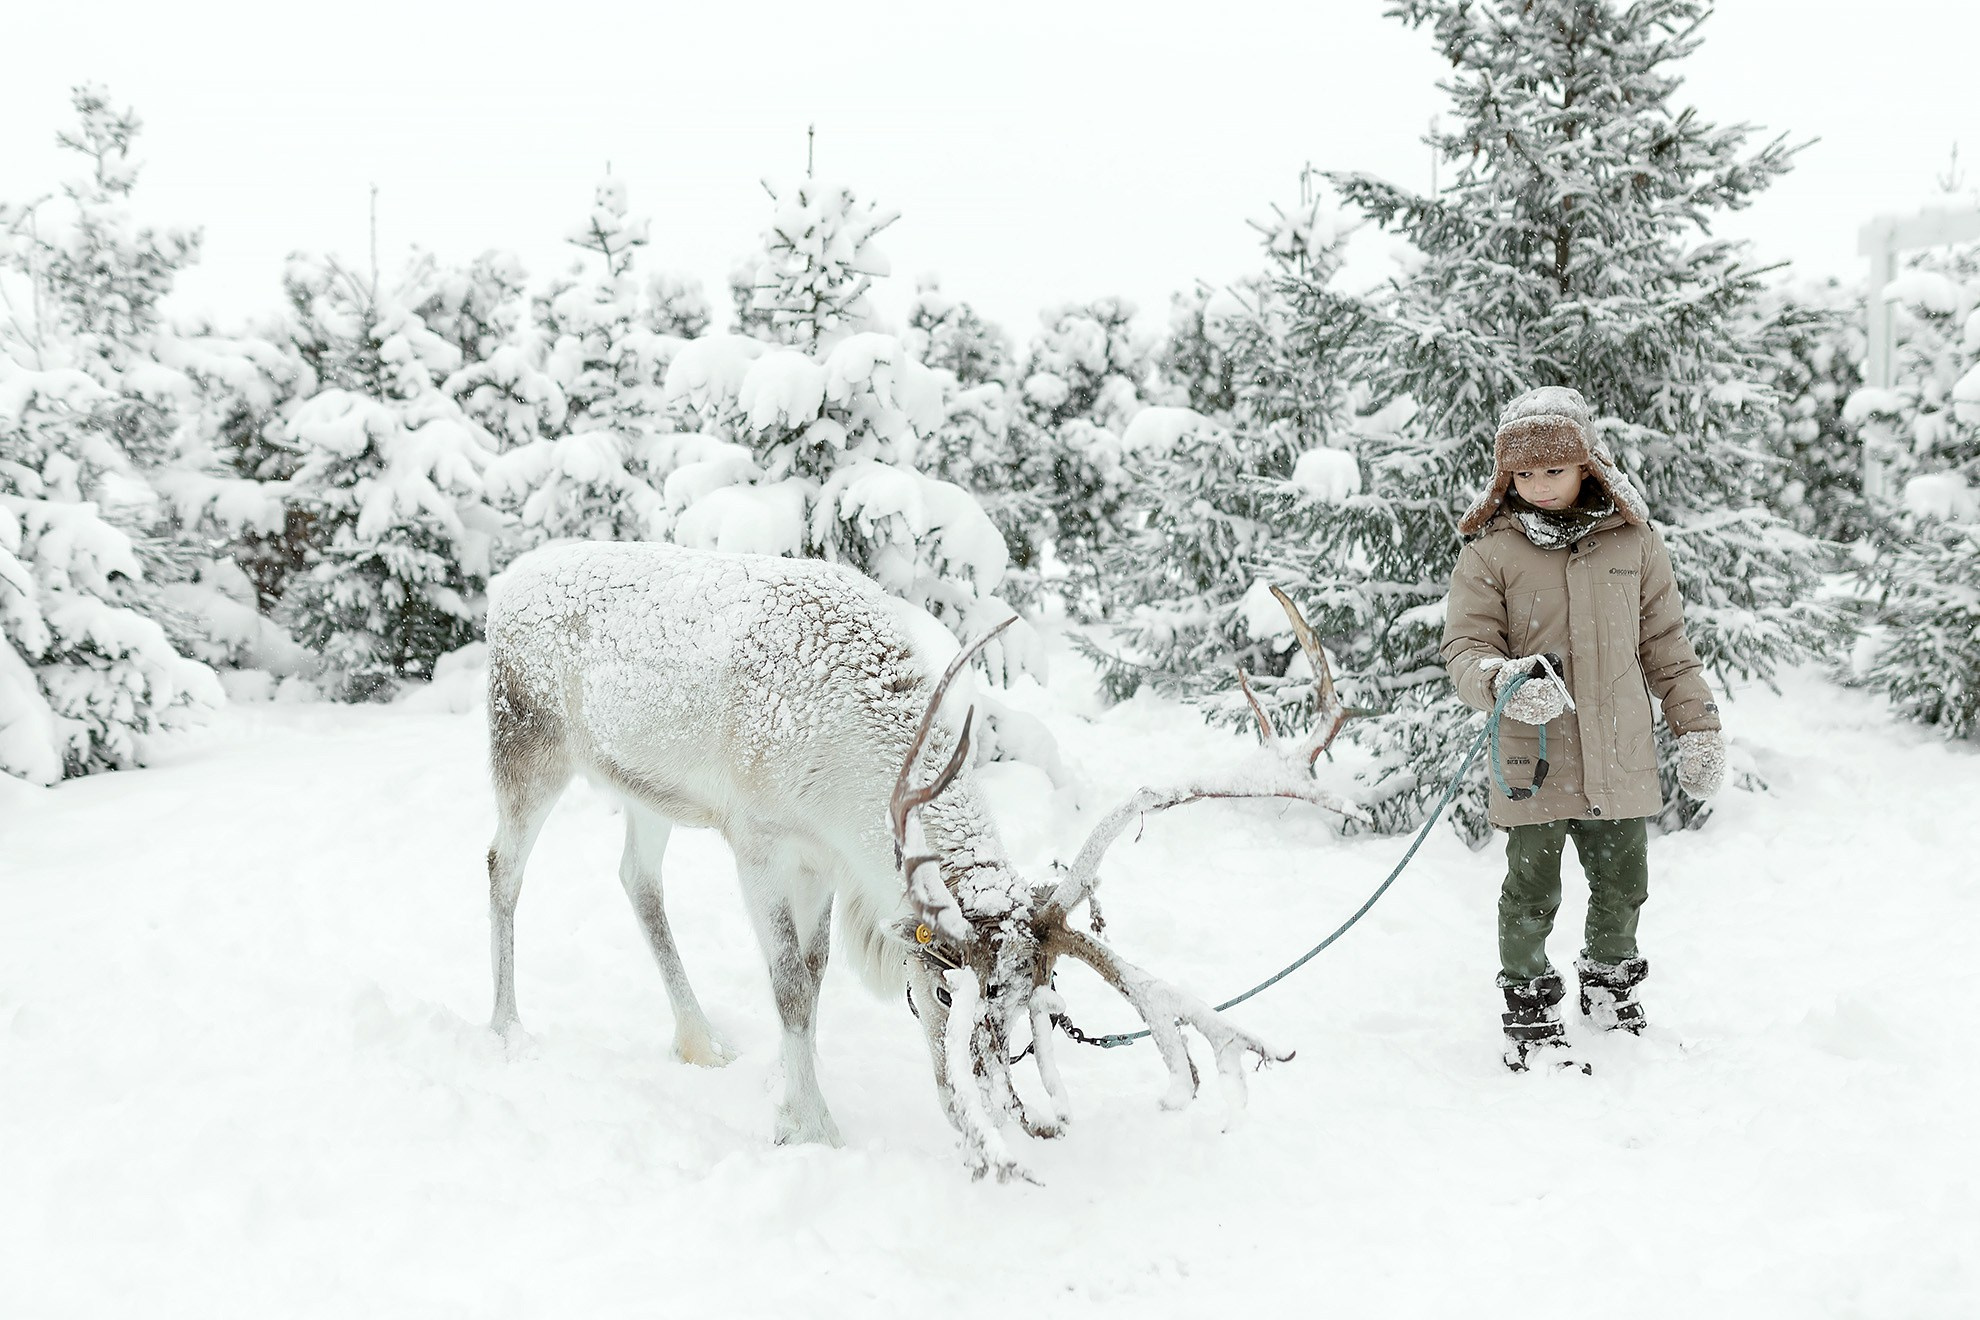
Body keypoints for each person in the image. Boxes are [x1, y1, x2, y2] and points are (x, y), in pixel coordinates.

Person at [1441, 386, 1727, 1072]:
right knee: (1532, 893)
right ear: (1506, 476)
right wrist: (1500, 682)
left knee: (1624, 883)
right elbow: (1465, 649)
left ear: (1587, 465)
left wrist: (1699, 729)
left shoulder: (1635, 543)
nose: (1539, 486)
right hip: (1533, 756)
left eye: (1554, 470)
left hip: (1620, 755)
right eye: (1525, 474)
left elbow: (1667, 647)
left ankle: (1610, 987)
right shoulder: (1491, 553)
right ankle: (1531, 1004)